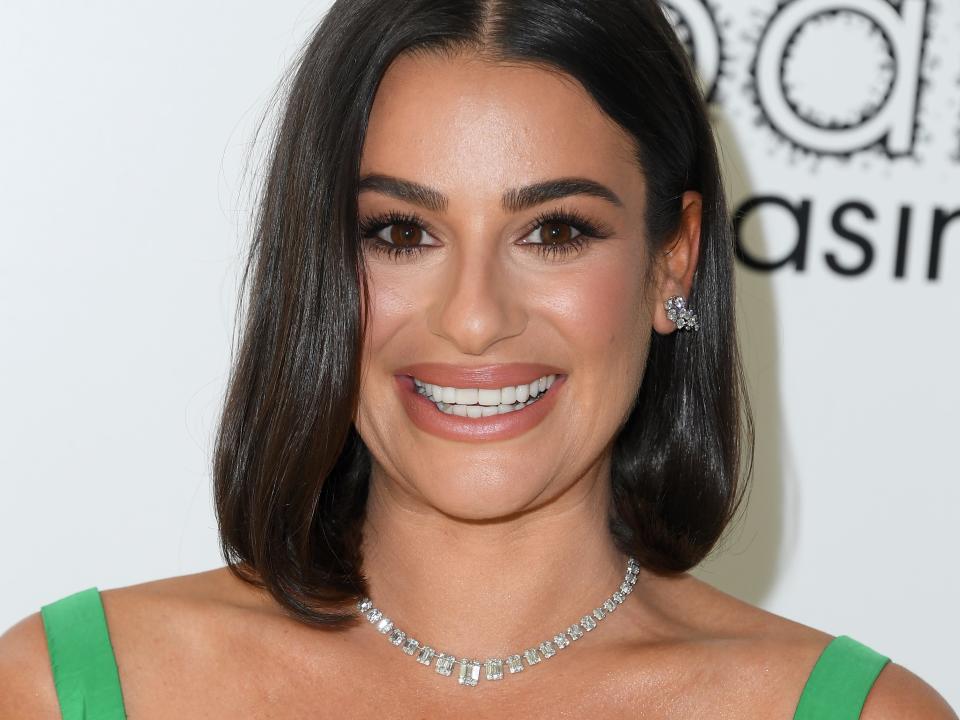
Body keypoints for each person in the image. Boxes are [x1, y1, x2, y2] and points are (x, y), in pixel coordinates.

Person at [0, 0, 956, 717]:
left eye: (555, 231)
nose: (472, 320)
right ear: (320, 261)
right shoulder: (71, 689)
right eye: (402, 233)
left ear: (677, 260)